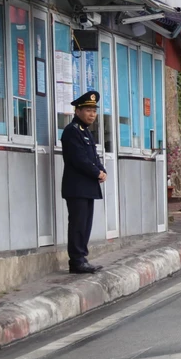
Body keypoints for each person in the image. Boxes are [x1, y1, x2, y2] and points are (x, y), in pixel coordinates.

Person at [61, 90, 106, 274]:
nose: (92, 114)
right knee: (78, 225)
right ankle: (77, 260)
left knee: (85, 225)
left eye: (94, 111)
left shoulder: (85, 132)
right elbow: (79, 159)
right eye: (88, 110)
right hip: (77, 187)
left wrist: (102, 170)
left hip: (87, 187)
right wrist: (97, 173)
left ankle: (81, 258)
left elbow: (93, 157)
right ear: (77, 111)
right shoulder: (72, 131)